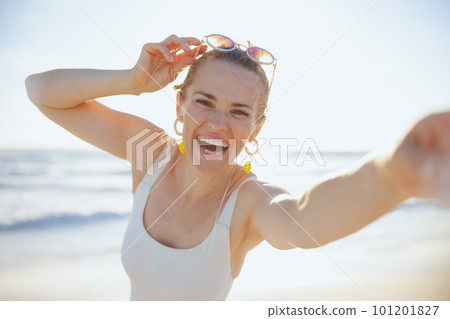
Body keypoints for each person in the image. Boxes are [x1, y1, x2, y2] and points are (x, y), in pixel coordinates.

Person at [25, 34, 450, 301]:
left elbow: (301, 220)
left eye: (239, 111)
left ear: (256, 127)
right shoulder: (149, 153)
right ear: (180, 106)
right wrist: (131, 81)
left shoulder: (247, 201)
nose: (217, 124)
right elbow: (40, 91)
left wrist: (393, 175)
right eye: (204, 102)